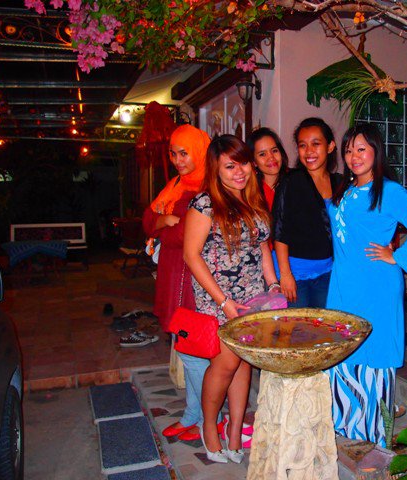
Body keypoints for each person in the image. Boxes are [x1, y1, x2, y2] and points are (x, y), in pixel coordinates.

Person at [326, 123, 407, 447]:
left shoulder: (390, 191)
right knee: (343, 350)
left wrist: (397, 256)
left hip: (376, 286)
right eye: (349, 150)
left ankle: (373, 433)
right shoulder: (345, 189)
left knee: (373, 353)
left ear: (376, 151)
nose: (354, 156)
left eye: (361, 149)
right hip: (343, 285)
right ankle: (346, 425)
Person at [183, 134, 278, 464]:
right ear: (216, 170)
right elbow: (191, 255)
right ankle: (209, 426)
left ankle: (235, 431)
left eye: (244, 164)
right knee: (225, 365)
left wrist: (273, 284)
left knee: (243, 363)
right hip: (218, 299)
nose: (240, 172)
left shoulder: (254, 200)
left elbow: (263, 246)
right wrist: (223, 301)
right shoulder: (205, 203)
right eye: (230, 166)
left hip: (252, 297)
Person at [141, 124, 212, 442]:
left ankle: (205, 417)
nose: (178, 160)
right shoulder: (175, 185)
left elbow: (184, 235)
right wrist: (162, 221)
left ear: (200, 151)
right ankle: (196, 414)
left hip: (195, 280)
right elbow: (147, 221)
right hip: (174, 276)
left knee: (194, 350)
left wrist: (165, 227)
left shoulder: (210, 186)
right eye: (174, 153)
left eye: (185, 153)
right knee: (187, 349)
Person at [272, 117, 342, 308]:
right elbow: (280, 231)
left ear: (330, 146)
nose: (309, 151)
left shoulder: (340, 183)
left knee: (324, 324)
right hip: (295, 275)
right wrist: (285, 275)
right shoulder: (291, 182)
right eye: (302, 145)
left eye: (316, 144)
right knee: (298, 326)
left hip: (327, 272)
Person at [246, 127, 289, 211]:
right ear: (254, 162)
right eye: (262, 154)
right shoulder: (249, 191)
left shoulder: (296, 180)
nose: (271, 157)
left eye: (274, 151)